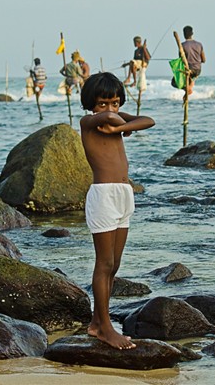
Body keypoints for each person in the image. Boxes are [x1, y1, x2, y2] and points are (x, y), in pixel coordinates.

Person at [80, 72, 155, 350]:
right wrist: (119, 122)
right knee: (105, 264)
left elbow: (149, 120)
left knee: (116, 265)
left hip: (124, 194)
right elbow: (111, 119)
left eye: (114, 102)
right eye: (102, 103)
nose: (109, 109)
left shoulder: (113, 119)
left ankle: (97, 322)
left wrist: (120, 125)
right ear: (91, 103)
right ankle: (105, 328)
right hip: (104, 196)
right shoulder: (88, 122)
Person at [180, 26, 206, 94]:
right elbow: (204, 60)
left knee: (173, 82)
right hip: (197, 70)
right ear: (192, 33)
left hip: (188, 70)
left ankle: (187, 89)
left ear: (184, 34)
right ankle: (189, 88)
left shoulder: (182, 45)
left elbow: (181, 60)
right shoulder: (199, 44)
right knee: (192, 79)